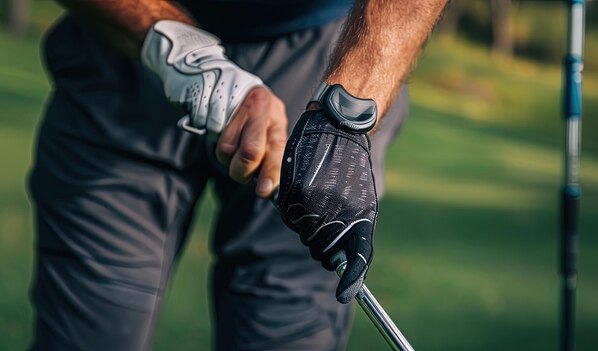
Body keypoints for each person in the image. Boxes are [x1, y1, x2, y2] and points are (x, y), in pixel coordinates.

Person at [28, 0, 448, 350]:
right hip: (123, 47)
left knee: (286, 331)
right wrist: (182, 52)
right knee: (89, 330)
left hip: (326, 59)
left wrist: (345, 114)